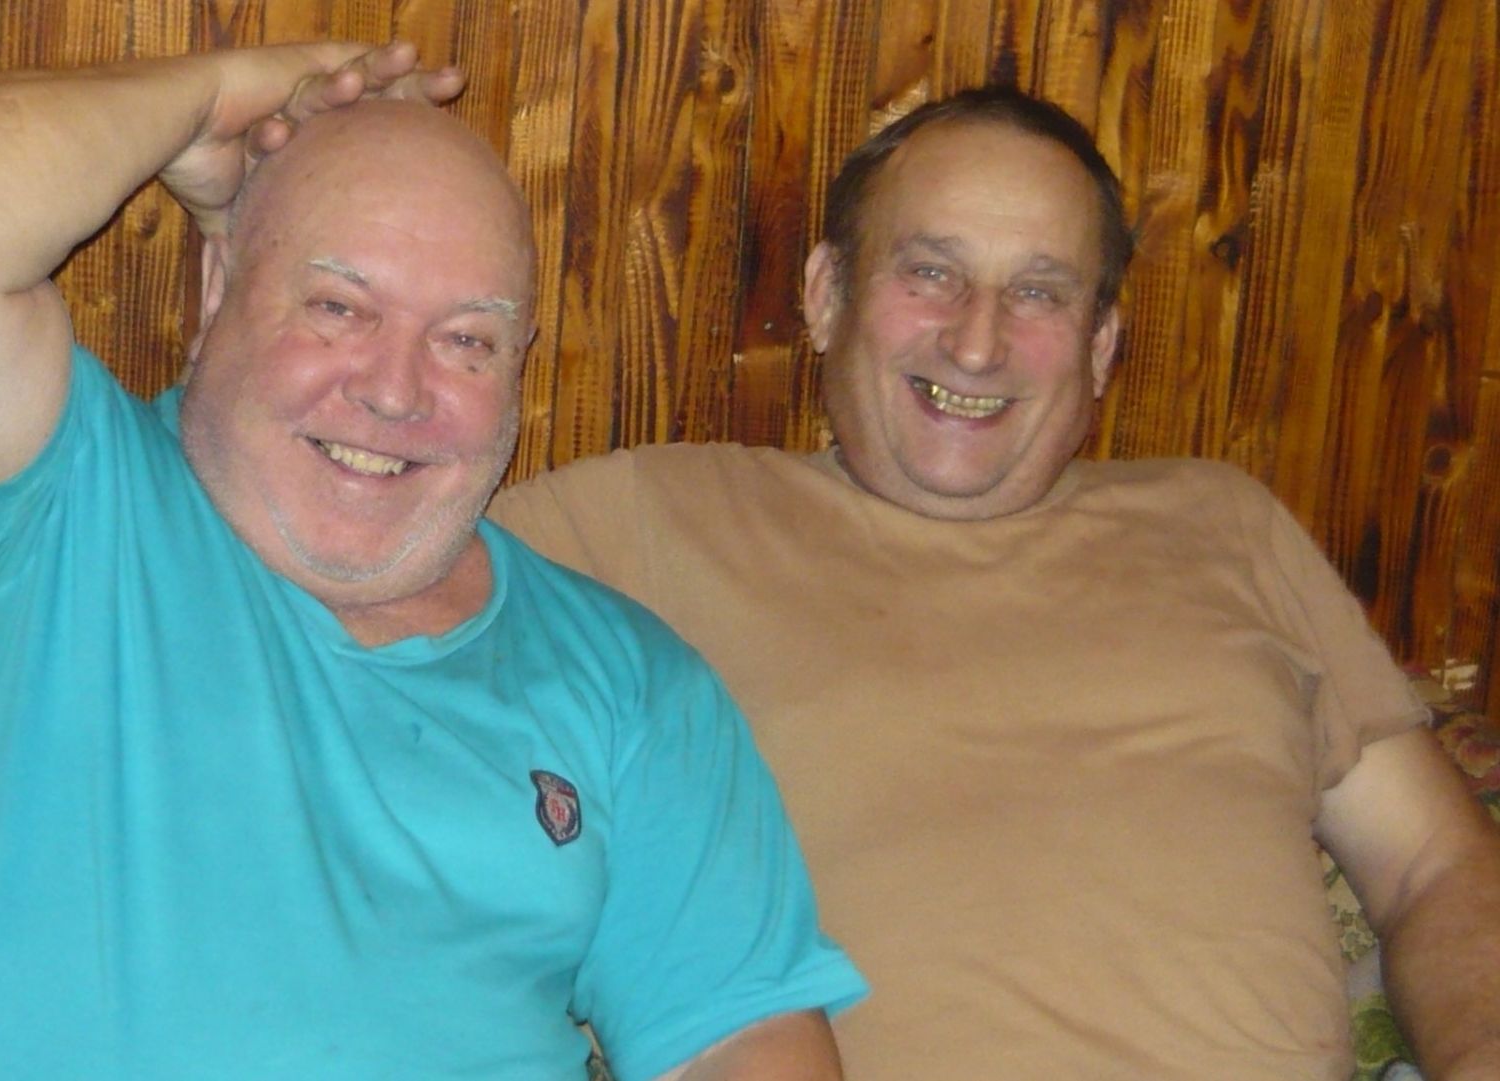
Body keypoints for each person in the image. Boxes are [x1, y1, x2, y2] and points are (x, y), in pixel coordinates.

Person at [0, 42, 865, 1080]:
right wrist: (213, 97)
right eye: (340, 308)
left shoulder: (629, 680)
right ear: (218, 293)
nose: (395, 391)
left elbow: (737, 1042)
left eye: (467, 340)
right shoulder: (38, 510)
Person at [490, 85, 1500, 1079]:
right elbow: (390, 588)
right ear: (826, 294)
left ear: (1101, 346)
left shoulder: (1227, 525)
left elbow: (1435, 865)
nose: (977, 341)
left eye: (1039, 292)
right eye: (931, 272)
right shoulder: (651, 521)